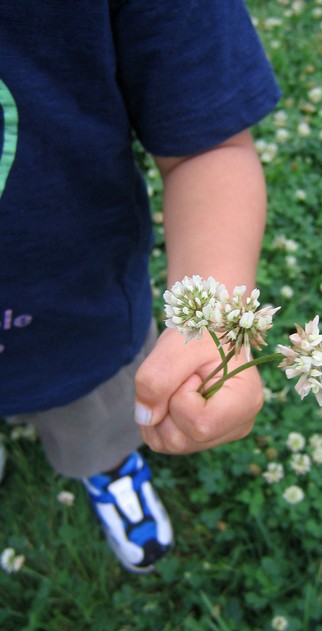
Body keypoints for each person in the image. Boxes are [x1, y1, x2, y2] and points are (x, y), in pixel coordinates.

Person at [0, 0, 280, 572]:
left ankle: (109, 467)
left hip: (83, 319)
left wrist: (214, 323)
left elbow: (209, 146)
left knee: (104, 421)